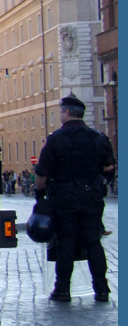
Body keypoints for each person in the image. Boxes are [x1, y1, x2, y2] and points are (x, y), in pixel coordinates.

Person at [34, 94, 116, 302]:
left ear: (67, 113)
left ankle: (62, 289)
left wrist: (39, 194)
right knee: (93, 241)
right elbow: (109, 167)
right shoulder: (98, 138)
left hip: (64, 197)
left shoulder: (55, 139)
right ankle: (102, 289)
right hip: (92, 196)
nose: (60, 115)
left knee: (66, 241)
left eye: (61, 112)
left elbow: (41, 173)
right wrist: (100, 183)